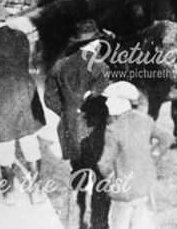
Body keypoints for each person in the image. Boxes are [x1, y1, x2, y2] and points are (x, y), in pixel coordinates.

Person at [0, 3, 46, 202]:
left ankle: (9, 193)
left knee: (5, 144)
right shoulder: (21, 37)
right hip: (25, 94)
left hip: (2, 98)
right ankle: (38, 191)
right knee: (29, 140)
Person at [45, 20, 112, 229]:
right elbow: (102, 103)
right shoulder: (100, 67)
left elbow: (49, 98)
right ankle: (99, 224)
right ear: (95, 42)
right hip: (92, 130)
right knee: (100, 177)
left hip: (68, 129)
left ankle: (75, 221)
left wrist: (66, 113)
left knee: (78, 175)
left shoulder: (60, 64)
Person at [98, 81, 173, 229]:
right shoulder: (145, 120)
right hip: (143, 187)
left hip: (122, 193)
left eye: (110, 100)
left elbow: (104, 165)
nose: (107, 104)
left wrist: (108, 179)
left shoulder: (113, 129)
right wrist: (152, 158)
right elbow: (167, 138)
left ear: (121, 101)